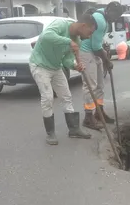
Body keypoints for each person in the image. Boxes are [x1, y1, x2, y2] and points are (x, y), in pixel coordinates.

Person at [29, 14, 96, 145]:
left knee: (66, 96)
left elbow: (67, 59)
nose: (89, 36)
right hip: (40, 65)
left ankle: (74, 129)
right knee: (48, 98)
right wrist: (67, 41)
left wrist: (75, 65)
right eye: (90, 32)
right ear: (83, 26)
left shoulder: (77, 41)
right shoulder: (60, 24)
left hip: (55, 66)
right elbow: (45, 36)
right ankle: (50, 133)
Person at [79, 2, 124, 130]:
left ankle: (99, 112)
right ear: (108, 9)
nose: (115, 18)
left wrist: (104, 57)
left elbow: (98, 43)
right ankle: (88, 117)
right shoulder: (100, 20)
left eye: (117, 16)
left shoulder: (105, 18)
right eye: (114, 14)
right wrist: (107, 61)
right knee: (90, 85)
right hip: (87, 52)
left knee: (100, 85)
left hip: (95, 52)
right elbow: (95, 46)